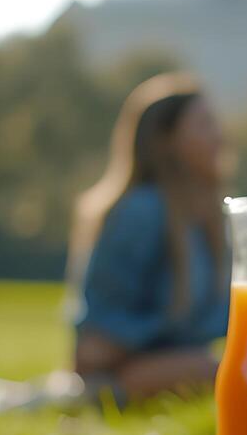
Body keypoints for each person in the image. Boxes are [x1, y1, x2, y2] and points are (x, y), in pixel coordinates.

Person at [67, 74, 231, 403]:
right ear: (166, 140)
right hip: (124, 374)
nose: (220, 137)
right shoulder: (142, 212)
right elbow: (97, 345)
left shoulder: (205, 218)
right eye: (203, 125)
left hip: (177, 363)